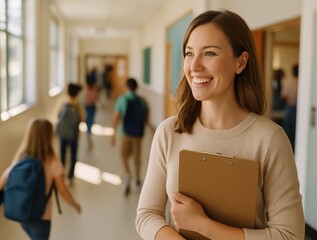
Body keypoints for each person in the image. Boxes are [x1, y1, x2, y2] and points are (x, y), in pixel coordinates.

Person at [135, 9, 304, 240]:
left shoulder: (270, 139)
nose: (194, 66)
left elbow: (290, 236)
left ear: (241, 62)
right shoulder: (169, 132)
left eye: (209, 53)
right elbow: (147, 215)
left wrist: (204, 225)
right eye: (188, 53)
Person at [0, 119, 81, 240]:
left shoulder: (20, 158)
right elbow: (63, 191)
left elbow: (2, 182)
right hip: (42, 218)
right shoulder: (53, 161)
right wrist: (75, 205)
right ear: (49, 137)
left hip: (23, 214)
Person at [111, 78, 149, 196]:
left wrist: (113, 133)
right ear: (136, 87)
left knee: (123, 155)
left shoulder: (122, 99)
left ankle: (127, 173)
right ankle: (137, 181)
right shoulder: (142, 101)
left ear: (126, 87)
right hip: (138, 133)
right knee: (137, 158)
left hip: (126, 132)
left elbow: (116, 117)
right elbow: (147, 117)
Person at [57, 83, 84, 186]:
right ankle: (70, 177)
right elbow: (82, 118)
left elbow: (58, 115)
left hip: (62, 133)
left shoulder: (62, 101)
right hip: (74, 134)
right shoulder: (77, 104)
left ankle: (61, 174)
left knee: (62, 154)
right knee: (73, 155)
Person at [281, 64, 299, 152]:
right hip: (298, 110)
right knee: (297, 132)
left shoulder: (288, 82)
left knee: (288, 132)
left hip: (289, 109)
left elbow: (283, 96)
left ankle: (288, 150)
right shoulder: (303, 82)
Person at [84, 71, 99, 148]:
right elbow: (95, 100)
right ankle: (89, 132)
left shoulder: (85, 91)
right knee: (91, 120)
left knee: (87, 119)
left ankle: (88, 132)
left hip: (86, 106)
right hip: (92, 107)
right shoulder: (94, 92)